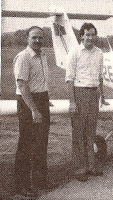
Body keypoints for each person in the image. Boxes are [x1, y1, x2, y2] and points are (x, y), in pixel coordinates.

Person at [13, 26, 51, 198]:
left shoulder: (42, 55)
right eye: (34, 37)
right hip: (28, 103)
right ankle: (22, 185)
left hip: (41, 98)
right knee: (26, 145)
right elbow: (22, 85)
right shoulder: (23, 57)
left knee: (41, 143)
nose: (37, 41)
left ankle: (40, 180)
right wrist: (34, 109)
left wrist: (44, 98)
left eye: (40, 38)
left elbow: (39, 80)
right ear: (27, 38)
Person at [66, 23, 104, 182]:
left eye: (92, 35)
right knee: (79, 134)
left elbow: (100, 77)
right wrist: (73, 102)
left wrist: (103, 95)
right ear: (81, 36)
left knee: (90, 132)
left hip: (94, 94)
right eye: (87, 35)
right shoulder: (74, 52)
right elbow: (69, 79)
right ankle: (79, 169)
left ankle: (91, 166)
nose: (90, 38)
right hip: (79, 93)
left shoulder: (99, 53)